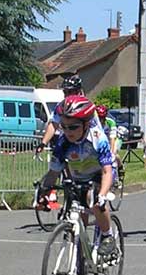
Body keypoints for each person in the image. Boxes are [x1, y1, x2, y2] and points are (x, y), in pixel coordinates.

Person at [37, 95, 116, 255]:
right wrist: (44, 190)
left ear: (86, 124)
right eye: (64, 127)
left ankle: (107, 236)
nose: (68, 131)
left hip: (99, 174)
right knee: (78, 209)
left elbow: (107, 171)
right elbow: (53, 172)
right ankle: (81, 254)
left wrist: (102, 194)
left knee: (94, 200)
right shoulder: (62, 143)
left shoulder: (98, 139)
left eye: (73, 127)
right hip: (78, 176)